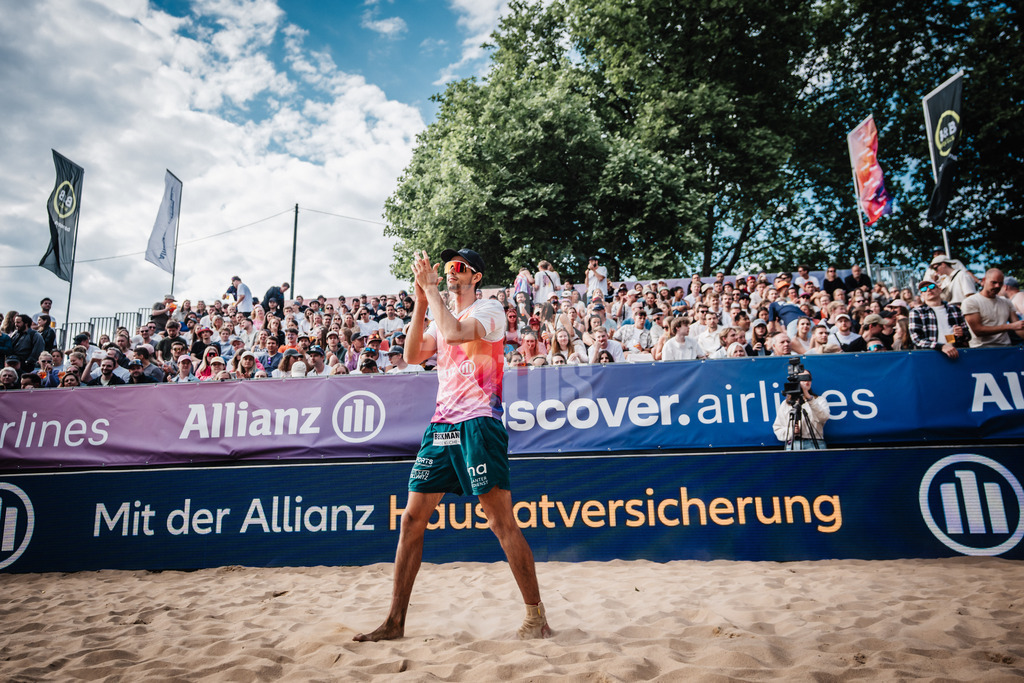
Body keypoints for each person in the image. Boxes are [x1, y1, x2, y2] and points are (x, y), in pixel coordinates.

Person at [355, 248, 550, 643]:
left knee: (500, 522)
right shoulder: (444, 314)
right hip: (441, 425)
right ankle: (395, 621)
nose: (451, 273)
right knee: (411, 520)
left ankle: (536, 616)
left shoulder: (489, 309)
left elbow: (457, 334)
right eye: (447, 269)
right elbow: (412, 355)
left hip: (479, 423)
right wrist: (420, 301)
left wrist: (433, 295)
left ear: (476, 276)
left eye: (459, 268)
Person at [909, 278, 971, 359]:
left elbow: (968, 336)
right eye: (923, 289)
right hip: (930, 356)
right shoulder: (916, 312)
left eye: (931, 286)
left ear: (939, 289)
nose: (928, 290)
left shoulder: (955, 309)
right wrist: (941, 346)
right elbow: (916, 339)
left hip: (956, 354)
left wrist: (962, 334)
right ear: (922, 295)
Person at [962, 268, 1024, 347]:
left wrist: (1017, 326)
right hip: (981, 349)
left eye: (1000, 283)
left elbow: (1018, 327)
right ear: (984, 280)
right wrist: (1010, 326)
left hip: (1006, 349)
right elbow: (978, 330)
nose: (997, 286)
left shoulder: (1006, 302)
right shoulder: (970, 301)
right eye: (994, 282)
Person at [772, 370, 830, 450]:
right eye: (803, 378)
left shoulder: (819, 400)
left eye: (808, 378)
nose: (807, 381)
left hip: (815, 443)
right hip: (793, 444)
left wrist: (809, 398)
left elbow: (823, 417)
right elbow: (778, 430)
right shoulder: (786, 403)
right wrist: (792, 430)